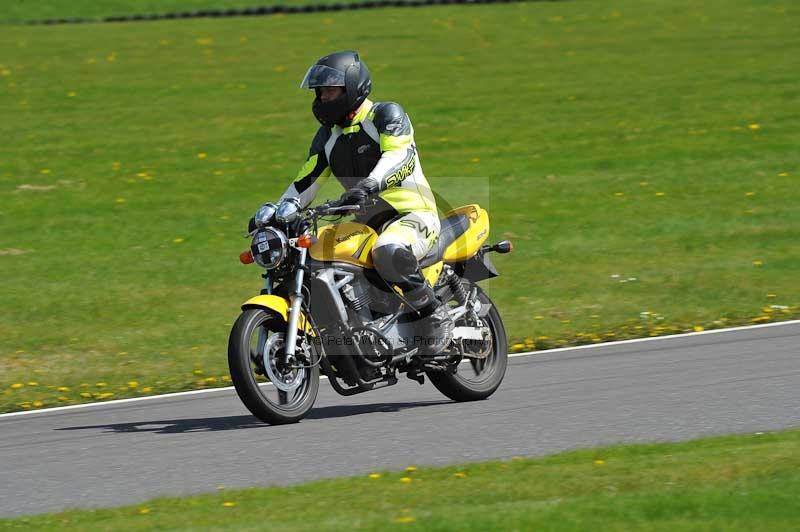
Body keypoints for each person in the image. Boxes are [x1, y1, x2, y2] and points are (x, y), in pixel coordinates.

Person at [274, 50, 452, 355]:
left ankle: (433, 314)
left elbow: (400, 156)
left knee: (388, 249)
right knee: (321, 257)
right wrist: (279, 212)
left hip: (412, 214)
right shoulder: (328, 137)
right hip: (367, 223)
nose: (322, 99)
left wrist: (371, 183)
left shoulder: (385, 115)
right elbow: (306, 181)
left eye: (330, 91)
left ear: (352, 87)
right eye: (320, 92)